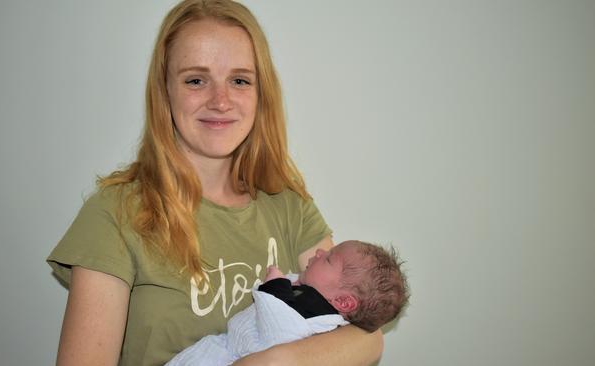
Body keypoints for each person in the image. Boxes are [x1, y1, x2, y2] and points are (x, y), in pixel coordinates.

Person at [47, 1, 384, 365]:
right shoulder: (117, 213)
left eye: (239, 80)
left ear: (260, 93)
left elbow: (365, 336)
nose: (221, 101)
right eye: (196, 80)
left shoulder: (288, 204)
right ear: (165, 91)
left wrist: (267, 363)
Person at [166, 240, 409, 365]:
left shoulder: (315, 311)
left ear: (343, 302)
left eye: (328, 260)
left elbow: (280, 333)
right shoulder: (313, 297)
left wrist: (274, 286)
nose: (319, 253)